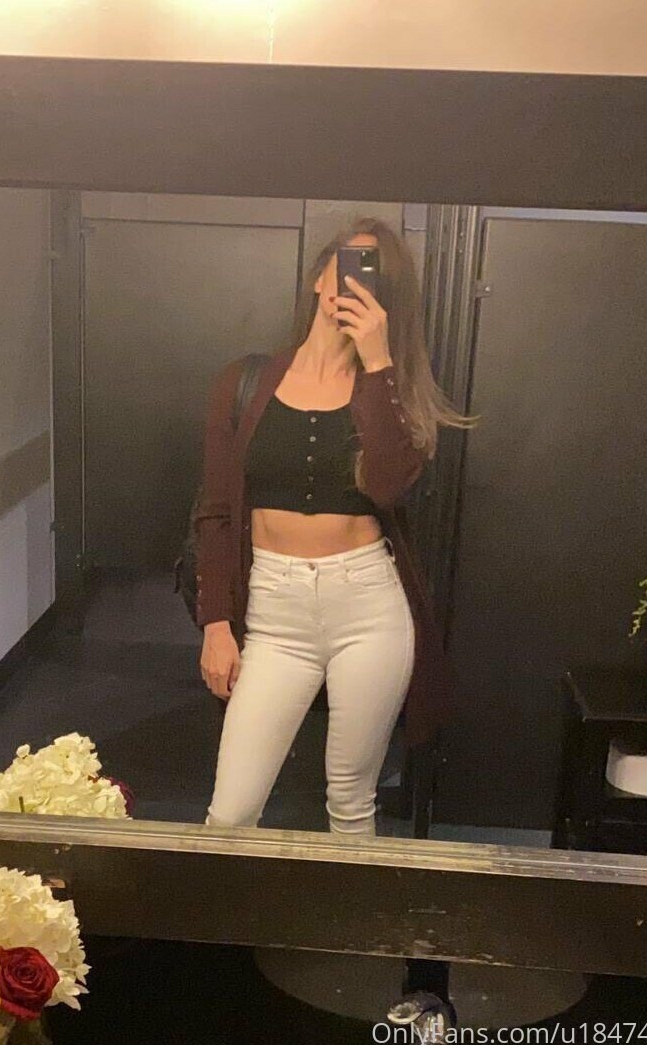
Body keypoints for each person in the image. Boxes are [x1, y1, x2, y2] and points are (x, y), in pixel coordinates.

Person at [194, 217, 475, 836]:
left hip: (367, 606)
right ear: (321, 275)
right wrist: (216, 622)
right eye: (347, 265)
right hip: (274, 612)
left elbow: (389, 484)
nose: (353, 283)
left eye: (373, 276)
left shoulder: (393, 389)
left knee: (350, 801)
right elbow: (214, 510)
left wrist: (377, 361)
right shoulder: (243, 382)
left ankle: (353, 904)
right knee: (231, 812)